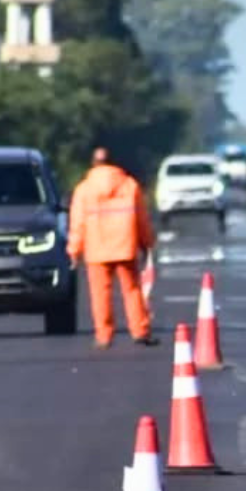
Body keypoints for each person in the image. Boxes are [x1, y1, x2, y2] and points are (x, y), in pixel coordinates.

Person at [67, 147, 158, 348]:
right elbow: (141, 219)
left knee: (100, 294)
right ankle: (140, 331)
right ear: (114, 162)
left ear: (94, 163)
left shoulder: (84, 189)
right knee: (133, 290)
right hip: (124, 245)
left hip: (97, 249)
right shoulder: (129, 185)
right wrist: (147, 243)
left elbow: (78, 223)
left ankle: (104, 335)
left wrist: (74, 250)